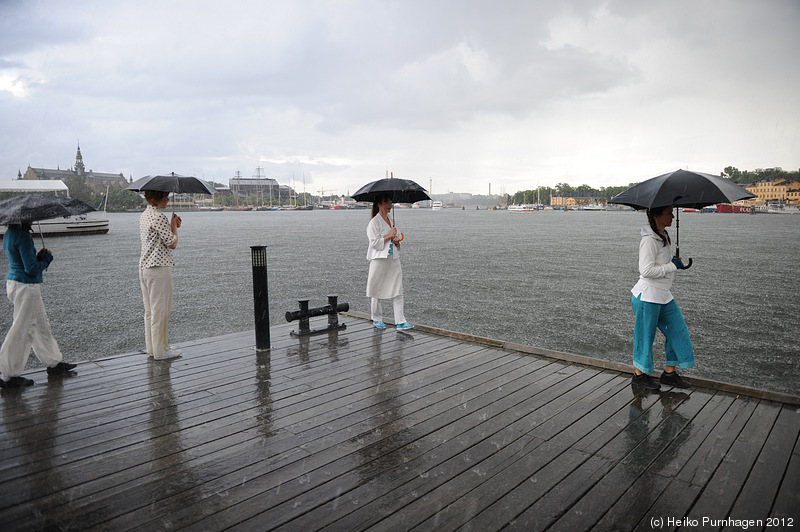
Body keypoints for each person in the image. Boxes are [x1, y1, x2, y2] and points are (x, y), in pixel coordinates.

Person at [0, 222, 76, 389]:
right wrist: (46, 259)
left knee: (41, 325)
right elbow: (31, 269)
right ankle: (8, 375)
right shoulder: (23, 236)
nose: (33, 220)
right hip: (26, 286)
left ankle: (53, 363)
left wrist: (38, 257)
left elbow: (22, 260)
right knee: (22, 329)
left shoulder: (10, 233)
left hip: (16, 283)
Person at [630, 206, 694, 390]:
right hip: (648, 296)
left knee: (678, 331)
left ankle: (669, 374)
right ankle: (639, 376)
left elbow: (660, 266)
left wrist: (672, 263)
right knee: (645, 336)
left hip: (663, 295)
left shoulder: (662, 236)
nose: (673, 216)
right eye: (668, 213)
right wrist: (672, 267)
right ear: (657, 216)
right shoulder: (649, 241)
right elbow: (646, 271)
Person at [139, 190, 182, 360]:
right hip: (158, 268)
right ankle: (161, 351)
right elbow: (172, 243)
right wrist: (175, 227)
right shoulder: (159, 217)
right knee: (161, 310)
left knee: (150, 311)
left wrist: (171, 225)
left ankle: (153, 347)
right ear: (157, 199)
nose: (167, 200)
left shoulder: (144, 215)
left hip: (145, 267)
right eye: (165, 197)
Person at [366, 193, 413, 330]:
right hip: (379, 260)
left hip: (393, 259)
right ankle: (377, 318)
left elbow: (395, 238)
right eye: (386, 202)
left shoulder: (391, 219)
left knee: (398, 290)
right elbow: (375, 243)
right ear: (379, 204)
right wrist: (389, 236)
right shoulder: (374, 223)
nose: (389, 206)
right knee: (377, 290)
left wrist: (396, 241)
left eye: (390, 203)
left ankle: (401, 321)